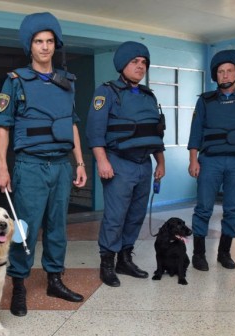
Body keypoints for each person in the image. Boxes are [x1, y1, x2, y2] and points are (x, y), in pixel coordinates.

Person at [0, 12, 87, 317]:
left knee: (57, 226)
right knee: (24, 228)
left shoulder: (67, 82)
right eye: (38, 41)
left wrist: (80, 162)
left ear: (55, 44)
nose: (45, 47)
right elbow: (3, 127)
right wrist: (2, 167)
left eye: (49, 41)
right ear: (29, 46)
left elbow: (72, 124)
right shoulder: (15, 81)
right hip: (30, 165)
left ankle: (54, 280)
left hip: (61, 164)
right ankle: (19, 285)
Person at [85, 41, 166, 287]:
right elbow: (95, 132)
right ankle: (107, 264)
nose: (140, 67)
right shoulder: (106, 92)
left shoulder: (149, 96)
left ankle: (125, 259)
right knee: (115, 216)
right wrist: (102, 161)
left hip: (144, 164)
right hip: (118, 162)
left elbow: (155, 132)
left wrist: (160, 163)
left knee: (136, 215)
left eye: (144, 63)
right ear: (122, 65)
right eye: (135, 62)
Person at [187, 49, 235, 271]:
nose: (225, 75)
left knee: (232, 209)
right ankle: (199, 254)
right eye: (221, 71)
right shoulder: (205, 101)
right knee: (203, 208)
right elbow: (195, 132)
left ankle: (224, 252)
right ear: (216, 75)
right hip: (210, 161)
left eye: (229, 70)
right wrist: (193, 160)